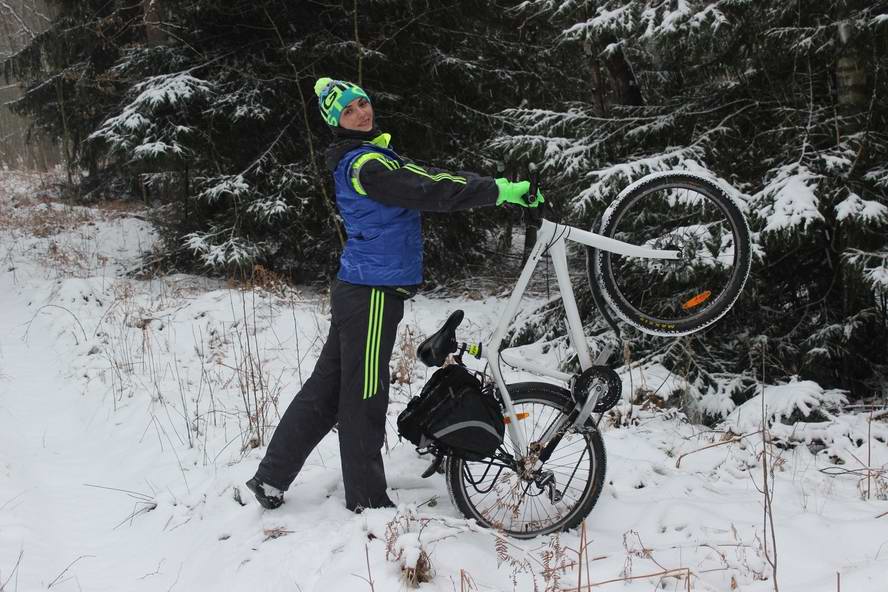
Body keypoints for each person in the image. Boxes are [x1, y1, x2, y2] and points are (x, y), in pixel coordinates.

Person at [246, 77, 542, 512]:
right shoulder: (367, 165)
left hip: (360, 288)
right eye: (349, 111)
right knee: (364, 396)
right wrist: (501, 190)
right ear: (336, 122)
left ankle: (271, 478)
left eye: (363, 102)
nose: (362, 112)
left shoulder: (367, 158)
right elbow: (432, 187)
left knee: (326, 391)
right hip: (370, 296)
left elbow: (422, 180)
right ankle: (367, 502)